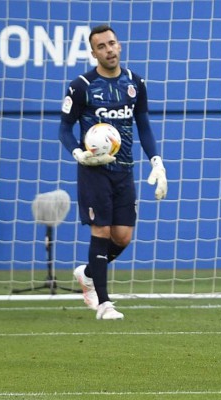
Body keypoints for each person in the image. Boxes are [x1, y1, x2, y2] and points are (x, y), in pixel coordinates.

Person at [58, 24, 167, 320]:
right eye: (102, 46)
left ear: (119, 46)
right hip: (94, 171)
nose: (109, 50)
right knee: (101, 230)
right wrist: (78, 152)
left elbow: (143, 125)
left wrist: (156, 160)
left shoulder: (135, 82)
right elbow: (65, 128)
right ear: (93, 53)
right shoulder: (80, 85)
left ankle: (90, 273)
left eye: (112, 44)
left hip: (124, 171)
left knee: (122, 237)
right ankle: (104, 303)